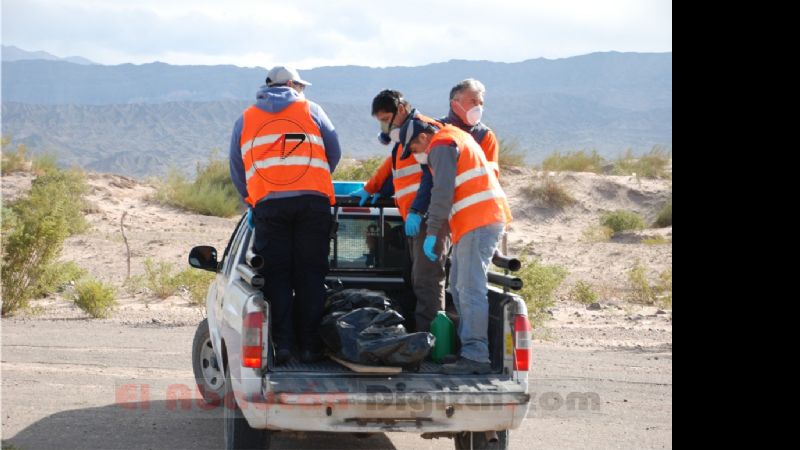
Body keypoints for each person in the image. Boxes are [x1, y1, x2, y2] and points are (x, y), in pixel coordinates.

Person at [229, 66, 341, 365]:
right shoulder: (312, 110)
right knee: (310, 275)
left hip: (269, 206)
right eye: (300, 86)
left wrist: (252, 200)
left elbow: (237, 169)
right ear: (291, 84)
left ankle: (284, 346)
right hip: (312, 204)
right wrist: (313, 178)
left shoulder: (246, 119)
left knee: (276, 276)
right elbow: (334, 151)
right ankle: (310, 347)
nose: (302, 91)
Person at [397, 117, 512, 375]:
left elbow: (442, 192)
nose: (416, 155)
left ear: (423, 137)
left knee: (469, 289)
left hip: (478, 221)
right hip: (473, 223)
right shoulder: (453, 138)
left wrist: (432, 232)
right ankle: (468, 350)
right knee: (459, 287)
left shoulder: (441, 145)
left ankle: (476, 355)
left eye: (414, 149)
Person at [350, 90, 449, 333]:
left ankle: (430, 339)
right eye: (380, 121)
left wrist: (418, 210)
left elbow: (431, 177)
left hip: (427, 218)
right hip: (413, 218)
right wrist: (372, 188)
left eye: (386, 119)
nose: (385, 125)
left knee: (427, 281)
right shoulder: (403, 140)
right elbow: (392, 167)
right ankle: (418, 334)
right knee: (416, 280)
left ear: (401, 109)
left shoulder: (425, 133)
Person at [440, 78, 500, 178]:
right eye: (473, 101)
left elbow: (491, 178)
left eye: (481, 103)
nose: (478, 107)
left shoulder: (485, 136)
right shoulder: (436, 128)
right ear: (454, 104)